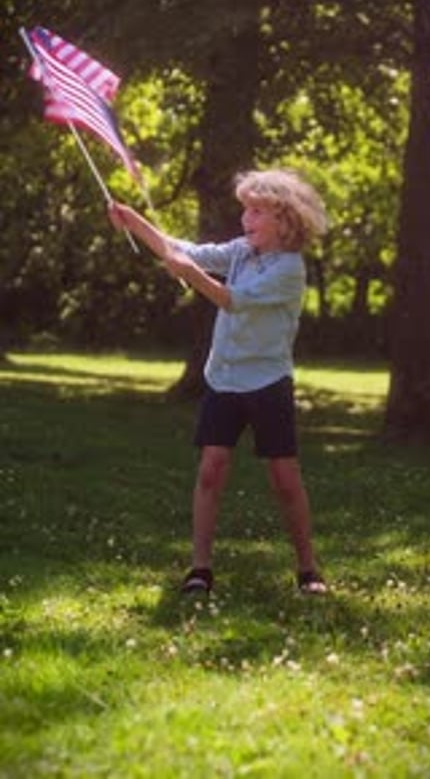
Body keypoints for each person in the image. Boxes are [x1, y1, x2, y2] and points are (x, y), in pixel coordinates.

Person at [108, 168, 328, 595]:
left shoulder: (289, 269)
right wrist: (134, 221)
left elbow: (231, 300)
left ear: (285, 220)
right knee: (211, 470)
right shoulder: (242, 252)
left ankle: (308, 569)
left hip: (268, 383)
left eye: (257, 210)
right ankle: (200, 569)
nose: (246, 218)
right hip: (224, 380)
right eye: (245, 208)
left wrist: (188, 273)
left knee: (284, 478)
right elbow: (183, 250)